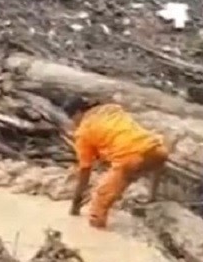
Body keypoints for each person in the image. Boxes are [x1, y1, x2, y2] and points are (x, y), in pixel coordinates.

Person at [65, 97, 171, 229]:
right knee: (154, 160)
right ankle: (152, 197)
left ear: (78, 113)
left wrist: (75, 204)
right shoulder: (113, 109)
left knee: (98, 204)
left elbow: (85, 170)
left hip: (130, 158)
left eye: (72, 118)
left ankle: (98, 236)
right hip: (158, 149)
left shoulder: (83, 132)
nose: (73, 123)